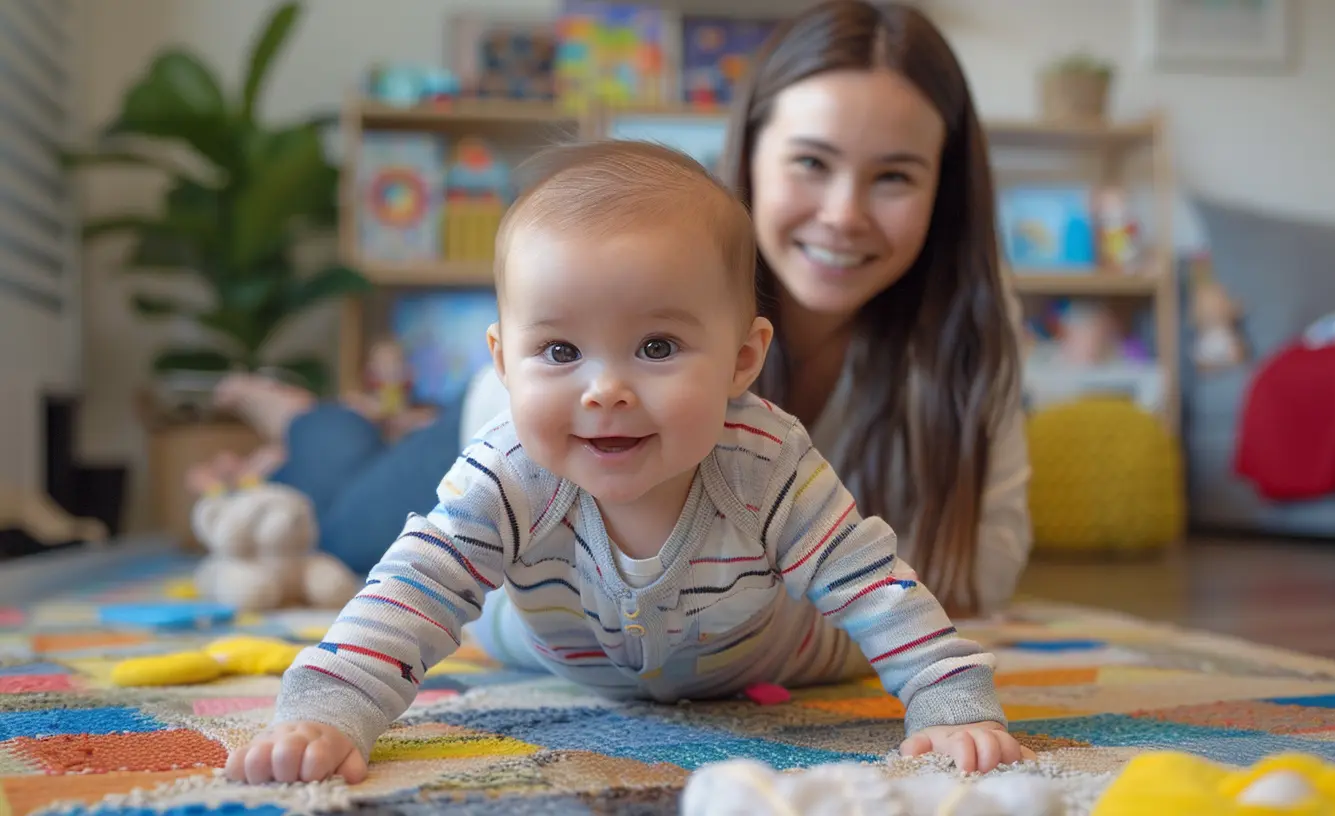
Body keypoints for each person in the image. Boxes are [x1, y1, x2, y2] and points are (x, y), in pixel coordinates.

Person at [226, 139, 1031, 786]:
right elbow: (415, 588)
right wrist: (327, 710)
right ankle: (304, 424)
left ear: (743, 359)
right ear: (504, 364)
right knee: (479, 615)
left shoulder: (767, 460)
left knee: (850, 631)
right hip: (547, 640)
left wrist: (949, 700)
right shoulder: (509, 473)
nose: (605, 390)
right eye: (561, 351)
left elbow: (869, 579)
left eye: (656, 347)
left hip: (774, 646)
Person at [207, 0, 1028, 622]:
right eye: (811, 162)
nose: (844, 214)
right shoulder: (649, 279)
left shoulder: (970, 334)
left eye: (894, 177)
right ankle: (309, 419)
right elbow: (515, 586)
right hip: (485, 434)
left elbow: (981, 572)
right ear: (748, 156)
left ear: (942, 192)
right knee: (342, 530)